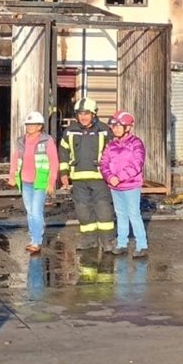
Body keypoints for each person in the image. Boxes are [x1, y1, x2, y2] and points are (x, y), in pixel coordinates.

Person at [59, 97, 115, 252]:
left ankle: (107, 241)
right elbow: (63, 152)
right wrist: (63, 173)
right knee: (83, 211)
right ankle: (89, 240)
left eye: (86, 113)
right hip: (78, 179)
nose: (83, 117)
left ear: (94, 114)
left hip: (100, 179)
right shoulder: (70, 131)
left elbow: (113, 154)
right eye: (80, 114)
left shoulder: (104, 131)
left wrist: (112, 174)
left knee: (103, 210)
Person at [8, 110, 59, 254]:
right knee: (30, 212)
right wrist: (12, 176)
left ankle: (36, 241)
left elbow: (53, 162)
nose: (29, 127)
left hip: (40, 181)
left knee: (36, 212)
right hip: (25, 181)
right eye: (28, 124)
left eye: (33, 124)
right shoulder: (21, 141)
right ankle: (34, 237)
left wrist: (51, 182)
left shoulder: (47, 141)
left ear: (40, 126)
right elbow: (15, 158)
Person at [100, 110, 148, 257]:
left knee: (134, 214)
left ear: (128, 127)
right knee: (120, 214)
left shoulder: (136, 143)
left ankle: (141, 245)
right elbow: (104, 163)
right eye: (113, 126)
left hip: (131, 186)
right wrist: (109, 177)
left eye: (119, 126)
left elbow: (136, 165)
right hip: (115, 187)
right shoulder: (111, 145)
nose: (115, 129)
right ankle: (122, 243)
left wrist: (119, 177)